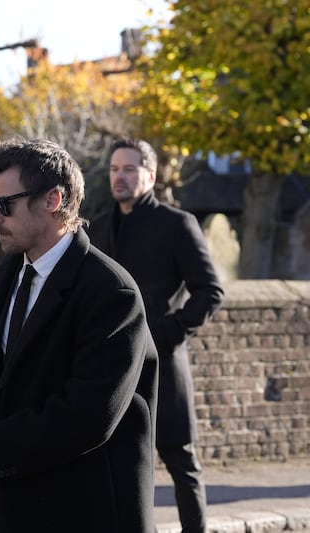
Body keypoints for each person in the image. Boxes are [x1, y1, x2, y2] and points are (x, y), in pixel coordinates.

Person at [0, 137, 159, 532]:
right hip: (6, 503)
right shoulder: (9, 271)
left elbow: (93, 413)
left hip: (76, 510)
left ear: (52, 201)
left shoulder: (111, 291)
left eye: (3, 205)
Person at [87, 138, 224, 533]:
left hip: (163, 361)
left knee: (181, 462)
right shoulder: (96, 226)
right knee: (118, 465)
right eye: (114, 169)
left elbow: (210, 291)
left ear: (150, 174)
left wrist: (167, 332)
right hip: (113, 367)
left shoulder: (177, 224)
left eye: (129, 169)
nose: (120, 177)